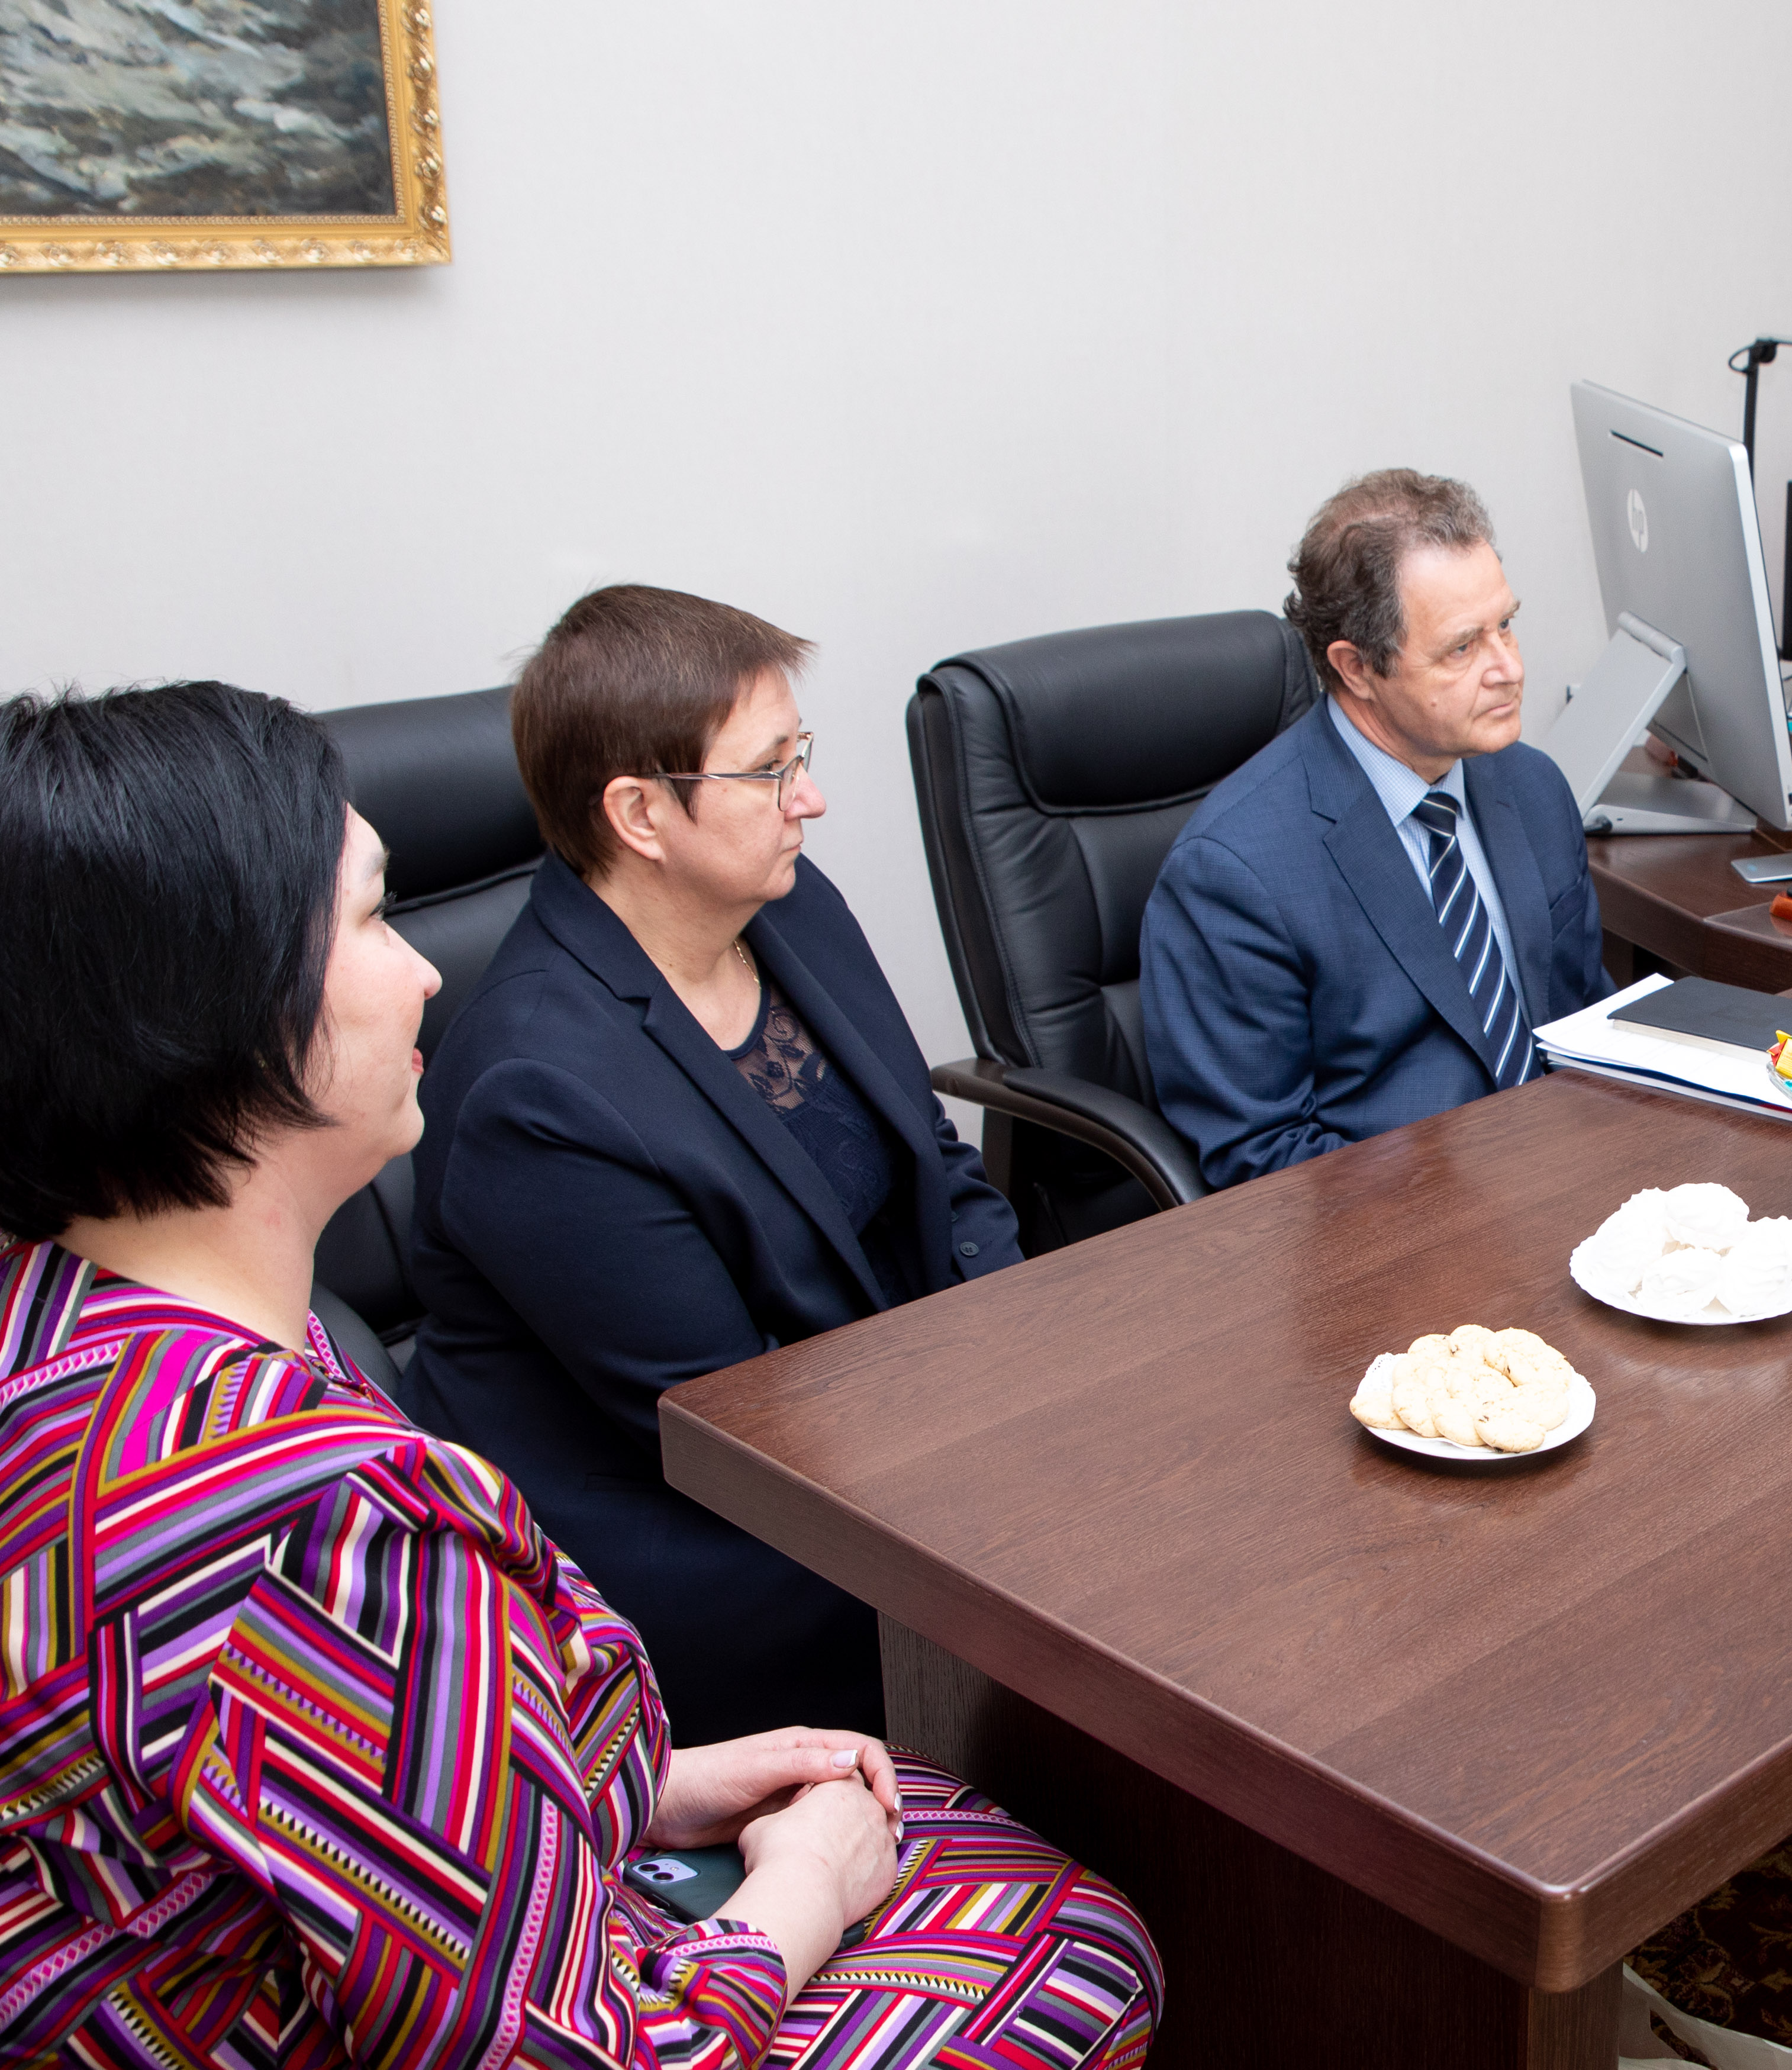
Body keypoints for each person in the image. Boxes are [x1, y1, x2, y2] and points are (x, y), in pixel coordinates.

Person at [0, 681, 1158, 2066]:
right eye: (372, 919)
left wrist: (641, 1784)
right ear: (218, 1013)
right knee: (1083, 1941)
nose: (427, 972)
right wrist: (803, 1890)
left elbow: (300, 1780)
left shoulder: (71, 1324)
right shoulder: (317, 1530)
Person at [405, 587, 1023, 1742]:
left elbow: (935, 1164)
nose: (811, 799)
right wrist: (996, 1437)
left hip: (890, 1414)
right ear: (641, 813)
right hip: (715, 1545)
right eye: (771, 770)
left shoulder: (790, 907)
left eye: (802, 756)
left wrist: (1030, 1340)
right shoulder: (536, 1091)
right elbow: (737, 1429)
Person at [1141, 469, 1606, 1186]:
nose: (1509, 669)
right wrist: (1486, 1197)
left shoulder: (1531, 784)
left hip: (1574, 1183)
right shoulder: (1232, 873)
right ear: (1356, 668)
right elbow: (1260, 1162)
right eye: (1461, 648)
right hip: (1398, 1224)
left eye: (1506, 625)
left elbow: (1587, 1025)